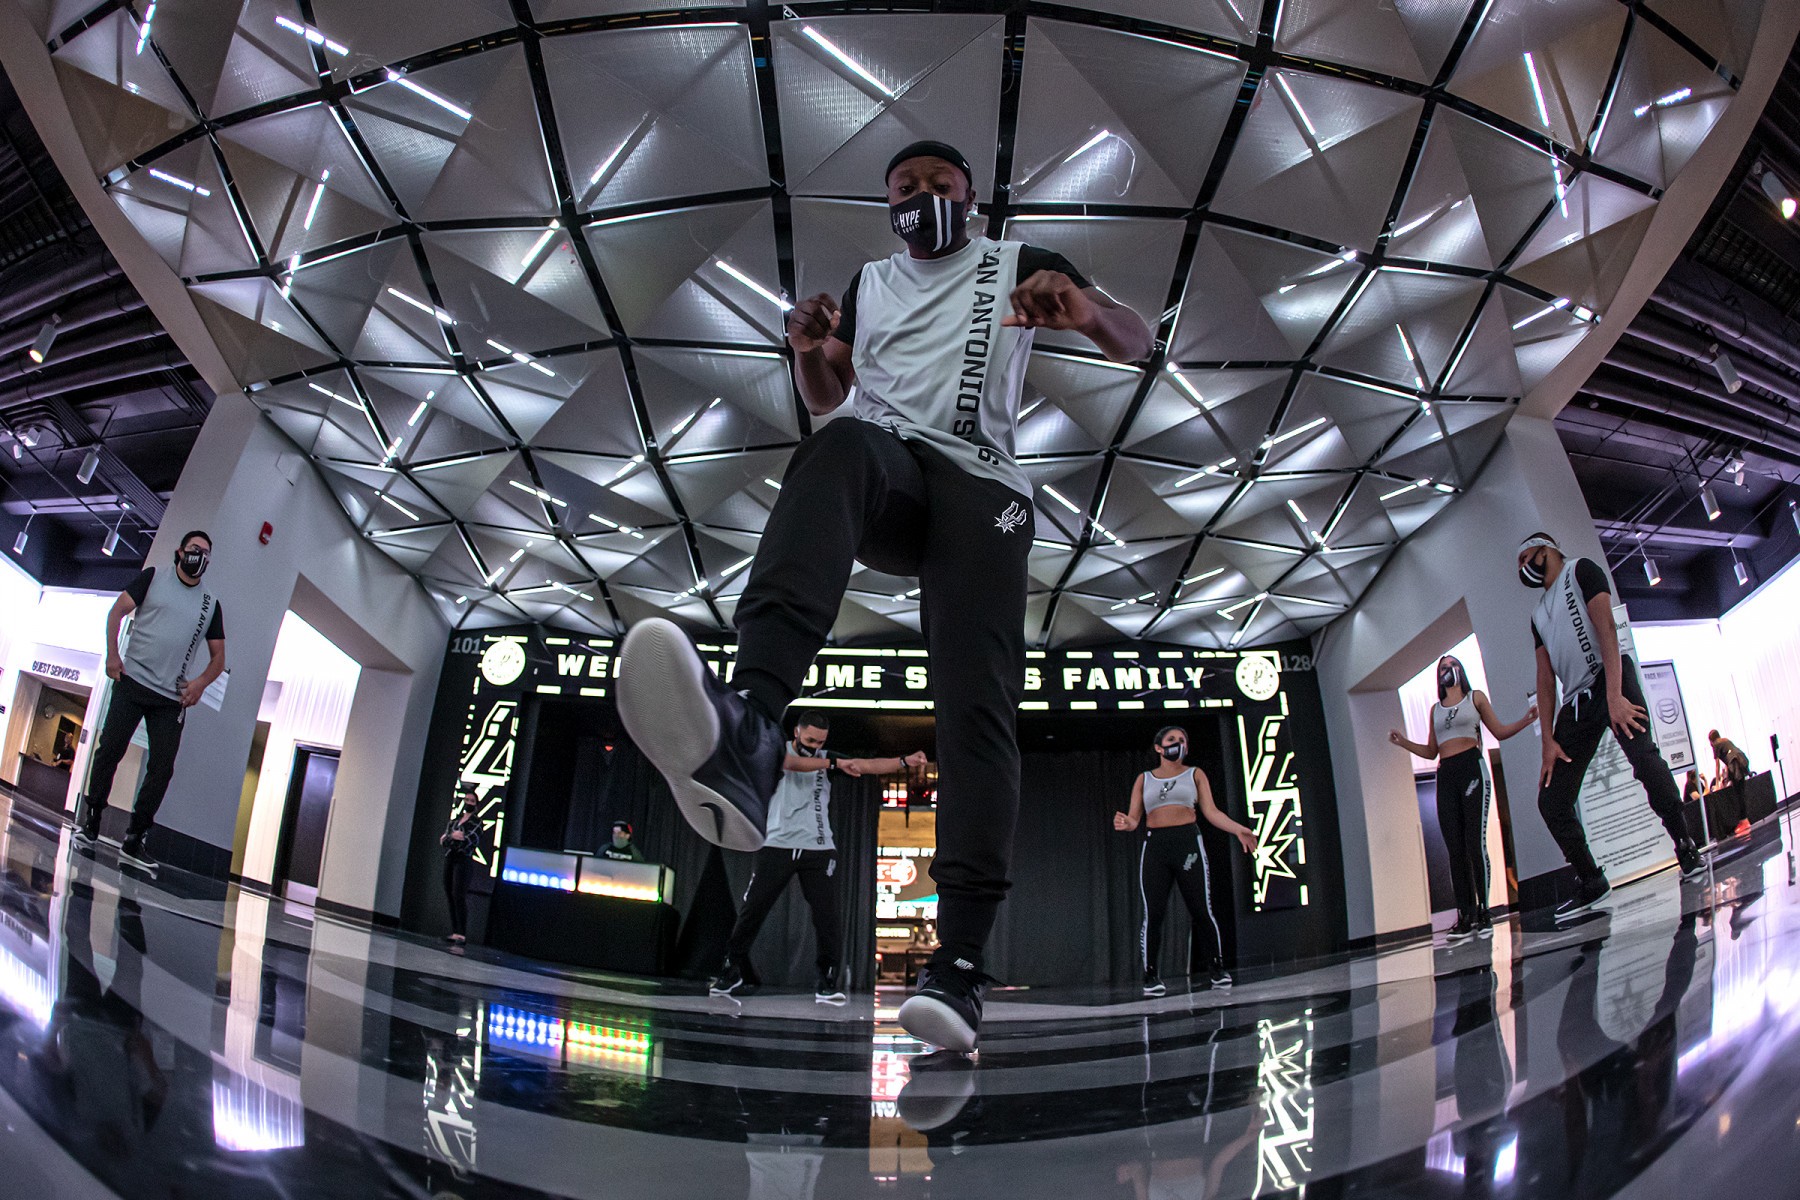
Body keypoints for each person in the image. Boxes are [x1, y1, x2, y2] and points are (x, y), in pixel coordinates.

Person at [619, 139, 1152, 1051]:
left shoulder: (1018, 261)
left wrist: (1086, 314)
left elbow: (1135, 342)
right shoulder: (870, 284)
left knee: (976, 705)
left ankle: (961, 963)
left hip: (981, 488)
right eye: (906, 187)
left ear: (970, 198)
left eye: (941, 185)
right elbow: (830, 394)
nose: (922, 196)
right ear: (889, 203)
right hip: (893, 472)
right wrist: (807, 352)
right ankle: (751, 724)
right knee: (834, 447)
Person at [1516, 532, 1703, 920]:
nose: (1522, 568)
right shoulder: (1537, 616)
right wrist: (1548, 740)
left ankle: (1685, 845)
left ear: (1545, 549)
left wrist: (1615, 695)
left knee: (1645, 760)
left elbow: (1606, 632)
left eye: (1524, 558)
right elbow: (1545, 679)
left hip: (1610, 678)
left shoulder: (1580, 570)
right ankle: (1591, 880)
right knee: (1551, 799)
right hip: (1577, 702)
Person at [712, 710, 928, 1003]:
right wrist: (833, 763)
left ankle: (827, 980)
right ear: (797, 732)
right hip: (776, 845)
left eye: (821, 742)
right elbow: (790, 764)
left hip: (818, 847)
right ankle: (730, 969)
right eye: (810, 740)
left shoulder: (827, 758)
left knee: (828, 918)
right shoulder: (780, 751)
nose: (814, 746)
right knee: (753, 909)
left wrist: (903, 761)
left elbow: (866, 765)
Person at [74, 530, 226, 873]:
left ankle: (135, 838)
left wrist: (200, 684)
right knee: (109, 750)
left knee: (162, 768)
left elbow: (219, 658)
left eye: (206, 553)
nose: (200, 556)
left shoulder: (210, 604)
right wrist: (113, 655)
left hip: (170, 699)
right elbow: (116, 612)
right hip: (132, 683)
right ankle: (92, 820)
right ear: (180, 551)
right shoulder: (154, 577)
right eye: (195, 549)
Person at [1388, 655, 1536, 942]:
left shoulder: (1474, 698)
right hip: (1446, 774)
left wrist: (1525, 720)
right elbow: (1431, 751)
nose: (1448, 670)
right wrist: (1403, 742)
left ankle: (1484, 911)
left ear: (1461, 670)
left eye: (1452, 665)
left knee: (1474, 842)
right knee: (1454, 849)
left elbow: (1499, 731)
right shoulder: (1435, 709)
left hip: (1471, 769)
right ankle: (1465, 916)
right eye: (1443, 667)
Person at [1113, 725, 1257, 997]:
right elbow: (1134, 819)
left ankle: (1217, 968)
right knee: (1154, 913)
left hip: (1187, 843)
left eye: (1182, 740)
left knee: (1201, 909)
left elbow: (1211, 812)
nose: (1177, 743)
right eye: (1171, 739)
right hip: (1156, 846)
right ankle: (1151, 974)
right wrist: (1126, 823)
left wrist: (1238, 829)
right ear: (1159, 747)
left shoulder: (1195, 774)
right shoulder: (1144, 779)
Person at [440, 786, 480, 945]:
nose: (468, 803)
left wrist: (453, 838)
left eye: (472, 801)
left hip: (464, 860)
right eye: (467, 800)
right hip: (450, 858)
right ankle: (455, 930)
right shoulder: (455, 821)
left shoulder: (476, 823)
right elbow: (444, 840)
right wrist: (453, 836)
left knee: (458, 894)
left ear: (476, 804)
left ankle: (461, 933)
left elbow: (469, 841)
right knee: (449, 891)